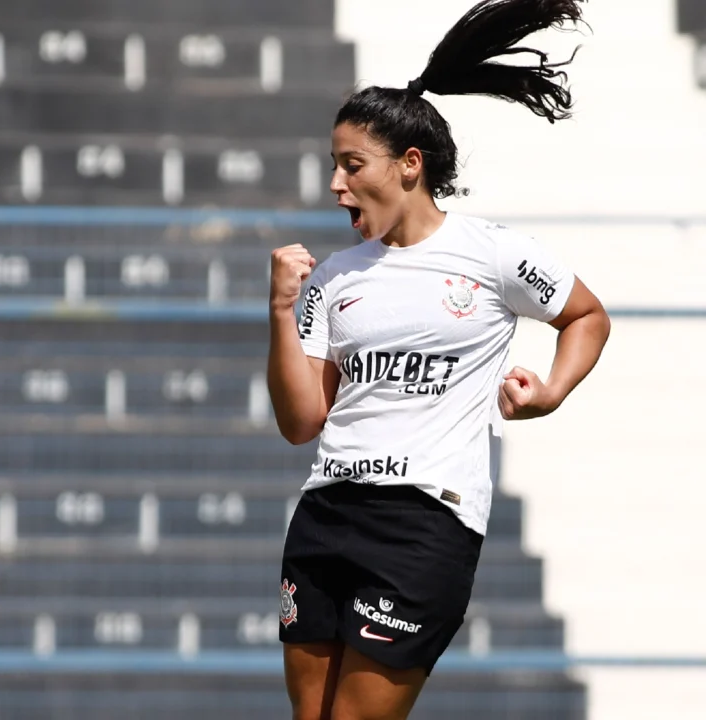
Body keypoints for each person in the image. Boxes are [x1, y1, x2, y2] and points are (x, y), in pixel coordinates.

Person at [265, 1, 611, 718]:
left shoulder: (491, 253)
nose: (336, 184)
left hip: (423, 524)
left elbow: (586, 316)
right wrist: (278, 311)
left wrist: (551, 391)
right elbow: (302, 422)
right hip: (327, 513)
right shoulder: (330, 279)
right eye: (334, 166)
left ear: (409, 164)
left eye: (352, 165)